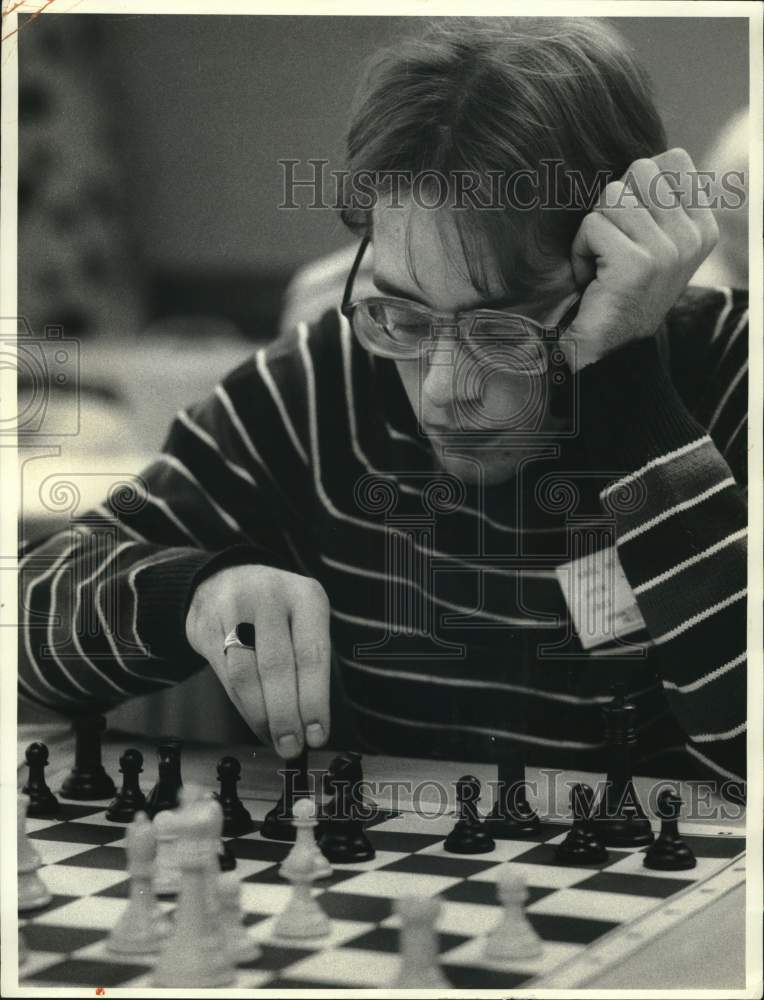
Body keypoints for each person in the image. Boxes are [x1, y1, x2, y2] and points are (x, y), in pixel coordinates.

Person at [20, 18, 747, 792]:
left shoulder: (732, 377)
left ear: (608, 267)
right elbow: (28, 626)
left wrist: (628, 376)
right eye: (403, 314)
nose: (440, 389)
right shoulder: (321, 386)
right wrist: (188, 595)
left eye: (502, 329)